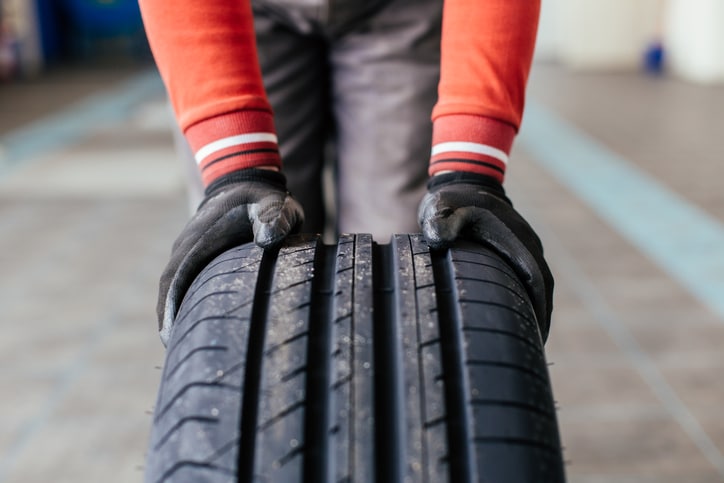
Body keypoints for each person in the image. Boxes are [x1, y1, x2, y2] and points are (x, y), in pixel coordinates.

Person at [138, 0, 554, 345]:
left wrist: (470, 168)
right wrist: (234, 170)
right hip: (241, 10)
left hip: (401, 9)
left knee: (412, 270)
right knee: (248, 266)